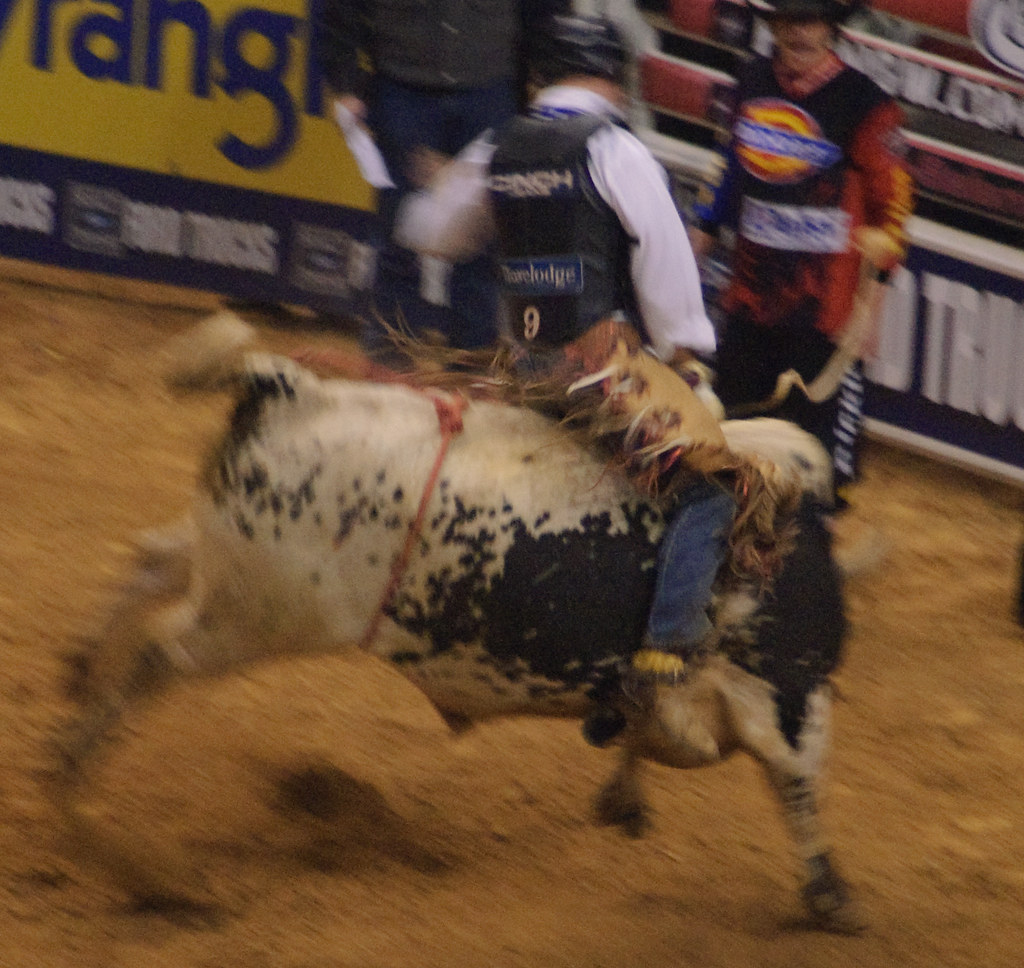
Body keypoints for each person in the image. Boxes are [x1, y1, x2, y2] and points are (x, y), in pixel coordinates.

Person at [395, 14, 803, 751]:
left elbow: (430, 231)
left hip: (520, 371)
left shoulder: (500, 147)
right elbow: (667, 271)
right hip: (602, 377)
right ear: (612, 79)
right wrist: (685, 352)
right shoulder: (617, 151)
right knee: (714, 485)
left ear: (537, 76)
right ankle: (662, 653)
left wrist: (441, 188)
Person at [689, 0, 914, 510]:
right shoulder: (751, 80)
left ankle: (812, 559)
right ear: (772, 25)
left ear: (831, 27)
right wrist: (700, 236)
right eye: (788, 20)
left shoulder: (865, 103)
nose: (799, 33)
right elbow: (728, 168)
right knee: (733, 442)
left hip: (823, 314)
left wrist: (871, 307)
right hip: (750, 302)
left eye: (810, 21)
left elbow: (894, 202)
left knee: (819, 467)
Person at [313, 0, 568, 358]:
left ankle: (472, 364)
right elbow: (342, 9)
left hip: (490, 91)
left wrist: (547, 80)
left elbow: (546, 11)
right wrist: (344, 82)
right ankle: (389, 362)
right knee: (398, 234)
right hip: (403, 88)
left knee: (481, 243)